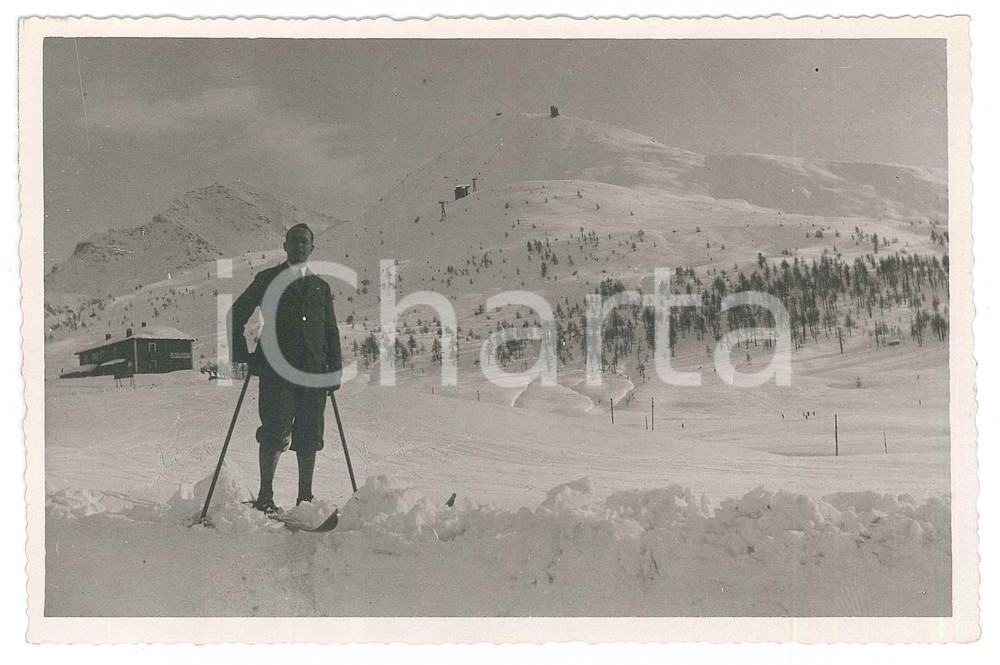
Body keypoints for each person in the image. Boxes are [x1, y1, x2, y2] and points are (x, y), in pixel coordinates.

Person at [229, 224, 343, 514]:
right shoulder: (267, 279)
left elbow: (330, 331)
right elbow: (236, 316)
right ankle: (265, 496)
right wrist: (245, 357)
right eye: (294, 241)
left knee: (310, 436)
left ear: (312, 248)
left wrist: (334, 371)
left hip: (313, 374)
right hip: (276, 373)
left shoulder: (321, 287)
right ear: (284, 245)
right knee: (274, 433)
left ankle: (305, 499)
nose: (299, 246)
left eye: (304, 242)